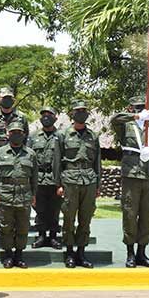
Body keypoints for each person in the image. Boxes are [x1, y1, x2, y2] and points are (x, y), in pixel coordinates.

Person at [110, 96, 149, 268]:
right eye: (136, 108)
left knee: (148, 214)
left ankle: (142, 252)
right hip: (131, 176)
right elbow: (114, 119)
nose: (140, 110)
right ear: (130, 109)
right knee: (129, 213)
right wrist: (136, 117)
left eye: (142, 108)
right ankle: (130, 253)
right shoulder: (125, 127)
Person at [56, 100, 101, 268]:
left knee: (86, 218)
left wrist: (98, 185)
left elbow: (97, 162)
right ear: (72, 114)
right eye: (78, 111)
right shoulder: (63, 135)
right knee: (68, 217)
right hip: (69, 179)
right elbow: (57, 161)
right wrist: (58, 184)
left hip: (89, 180)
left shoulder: (93, 136)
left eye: (84, 110)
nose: (81, 113)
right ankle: (69, 252)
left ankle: (81, 252)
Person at [0, 121, 38, 269]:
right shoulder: (0, 153)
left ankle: (19, 255)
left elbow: (34, 177)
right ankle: (8, 255)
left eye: (19, 132)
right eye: (13, 132)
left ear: (23, 135)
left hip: (24, 195)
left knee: (23, 227)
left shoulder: (31, 154)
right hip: (5, 195)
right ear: (8, 134)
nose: (16, 135)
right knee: (6, 227)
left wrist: (34, 195)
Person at [28, 106, 63, 249]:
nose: (46, 117)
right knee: (40, 208)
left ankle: (53, 237)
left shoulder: (61, 136)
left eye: (49, 115)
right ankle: (41, 236)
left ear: (55, 118)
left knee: (55, 209)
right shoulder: (33, 136)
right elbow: (28, 158)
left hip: (55, 178)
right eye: (43, 115)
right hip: (38, 178)